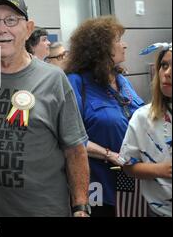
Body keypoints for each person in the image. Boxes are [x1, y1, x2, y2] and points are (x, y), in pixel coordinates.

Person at [0, 0, 90, 217]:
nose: (1, 29)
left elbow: (75, 150)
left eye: (11, 20)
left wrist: (81, 207)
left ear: (28, 29)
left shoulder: (53, 79)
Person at [65, 16, 145, 217]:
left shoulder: (122, 81)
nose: (124, 45)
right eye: (118, 40)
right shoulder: (76, 83)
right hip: (97, 184)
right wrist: (110, 155)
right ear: (100, 48)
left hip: (133, 181)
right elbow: (69, 137)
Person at [119, 43, 172, 217]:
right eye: (164, 65)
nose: (167, 73)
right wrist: (161, 170)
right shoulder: (143, 117)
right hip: (159, 211)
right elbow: (127, 166)